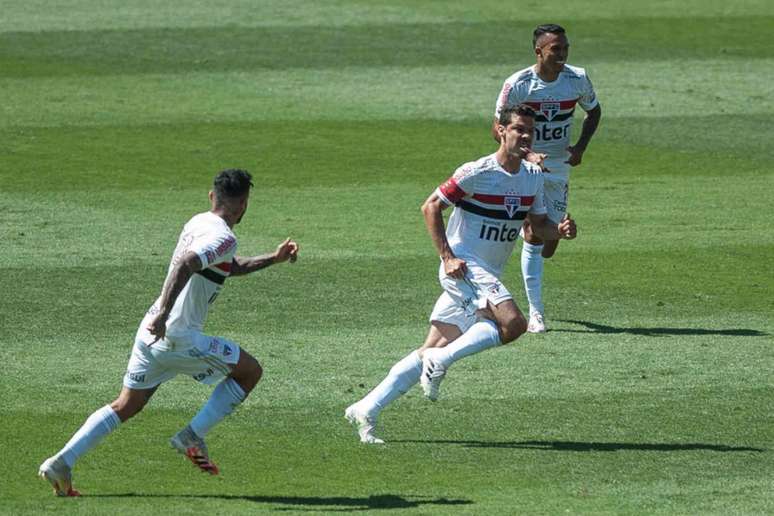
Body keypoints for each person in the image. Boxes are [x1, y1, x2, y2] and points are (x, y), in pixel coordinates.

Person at [38, 168, 299, 496]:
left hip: (149, 333)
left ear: (211, 196)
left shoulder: (198, 221)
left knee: (126, 405)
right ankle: (192, 435)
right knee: (249, 372)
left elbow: (226, 267)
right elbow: (186, 263)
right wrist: (165, 313)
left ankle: (61, 462)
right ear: (244, 204)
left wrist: (272, 259)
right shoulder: (224, 237)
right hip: (177, 337)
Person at [345, 104, 577, 444]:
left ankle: (367, 407)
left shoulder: (533, 176)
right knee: (513, 324)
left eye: (530, 130)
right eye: (518, 129)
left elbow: (538, 226)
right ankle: (443, 360)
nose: (526, 136)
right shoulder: (477, 171)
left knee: (429, 348)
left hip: (486, 271)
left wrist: (561, 231)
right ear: (501, 130)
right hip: (463, 266)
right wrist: (447, 256)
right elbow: (431, 206)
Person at [492, 23, 601, 333]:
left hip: (559, 166)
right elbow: (497, 128)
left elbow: (594, 111)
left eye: (565, 48)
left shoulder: (576, 78)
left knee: (550, 242)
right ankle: (536, 314)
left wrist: (580, 147)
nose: (563, 54)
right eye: (556, 49)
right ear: (539, 51)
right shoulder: (519, 84)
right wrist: (526, 156)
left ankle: (534, 230)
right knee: (536, 235)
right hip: (527, 165)